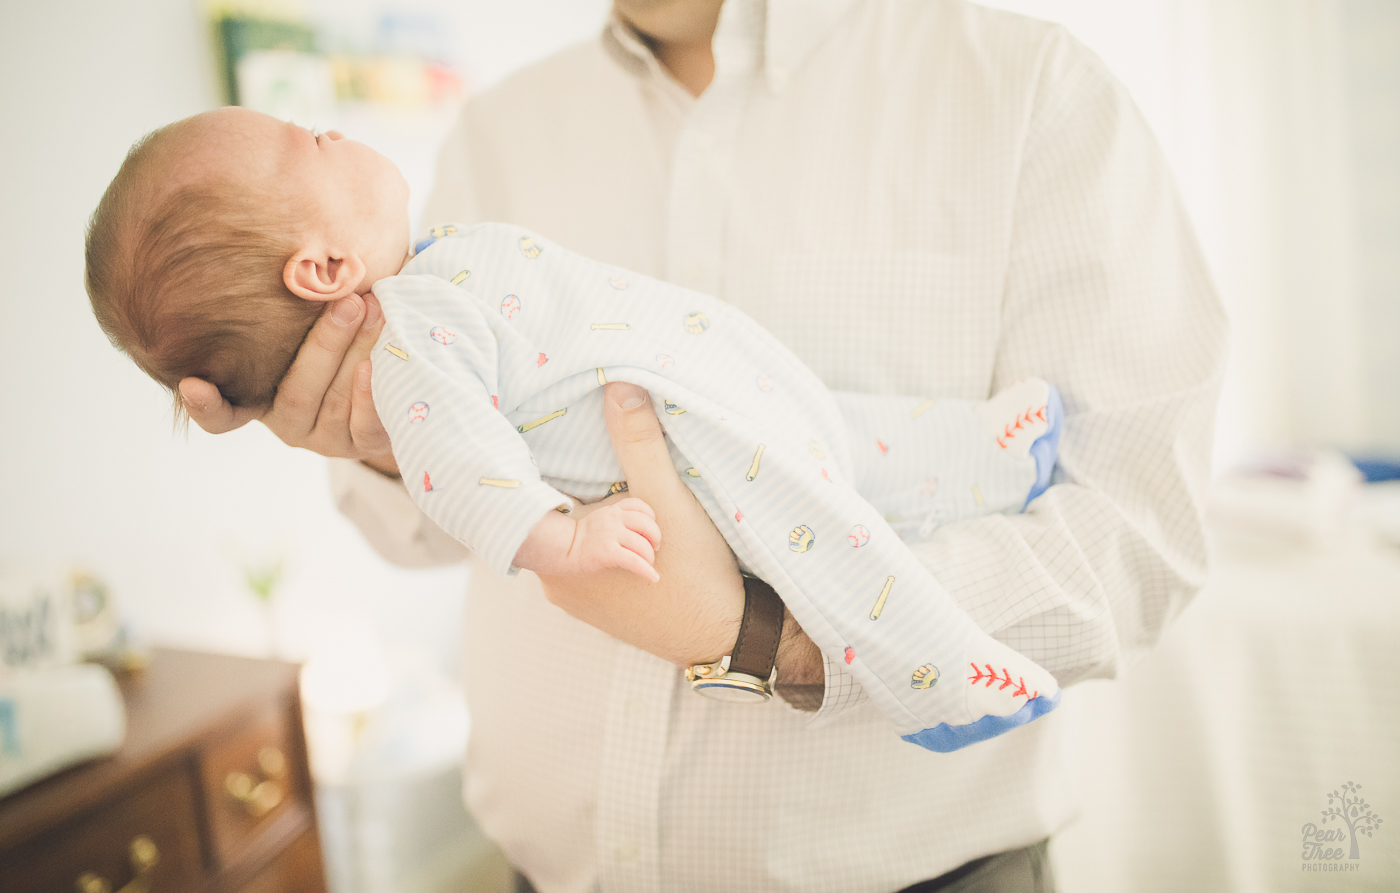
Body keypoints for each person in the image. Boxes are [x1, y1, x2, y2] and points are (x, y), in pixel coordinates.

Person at [180, 0, 1227, 889]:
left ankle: (933, 643)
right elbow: (410, 531)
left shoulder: (1028, 92)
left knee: (852, 445)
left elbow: (1139, 531)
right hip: (536, 874)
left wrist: (762, 637)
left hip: (925, 873)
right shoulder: (498, 134)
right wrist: (384, 446)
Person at [87, 105, 1065, 750]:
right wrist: (560, 539)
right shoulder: (412, 334)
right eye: (307, 140)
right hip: (692, 448)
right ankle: (938, 675)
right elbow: (457, 470)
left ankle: (983, 452)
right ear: (320, 270)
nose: (332, 132)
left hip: (718, 386)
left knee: (852, 442)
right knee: (835, 525)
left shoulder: (426, 280)